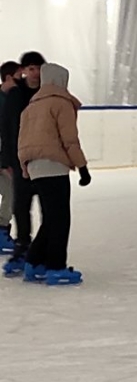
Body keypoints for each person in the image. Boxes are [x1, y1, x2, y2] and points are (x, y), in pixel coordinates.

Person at [15, 64, 91, 285]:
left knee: (51, 218)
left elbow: (23, 142)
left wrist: (25, 168)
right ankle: (56, 267)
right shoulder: (61, 103)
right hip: (53, 165)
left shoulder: (31, 107)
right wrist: (82, 167)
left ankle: (34, 262)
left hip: (35, 167)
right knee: (60, 219)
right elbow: (70, 140)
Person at [0, 51, 45, 270]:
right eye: (30, 69)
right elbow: (7, 129)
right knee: (19, 204)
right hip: (18, 160)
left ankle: (39, 250)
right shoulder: (15, 96)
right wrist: (7, 160)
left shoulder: (46, 94)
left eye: (38, 68)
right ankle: (21, 245)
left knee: (48, 208)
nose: (35, 73)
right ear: (24, 71)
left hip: (42, 160)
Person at [0, 60, 21, 254]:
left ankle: (2, 232)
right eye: (18, 77)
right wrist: (4, 163)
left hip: (6, 158)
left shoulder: (12, 100)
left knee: (10, 193)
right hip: (3, 160)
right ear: (8, 78)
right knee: (10, 193)